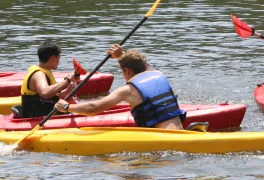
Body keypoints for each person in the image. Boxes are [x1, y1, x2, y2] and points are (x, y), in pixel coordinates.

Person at [55, 44, 186, 129]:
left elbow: (93, 108)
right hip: (179, 133)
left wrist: (66, 107)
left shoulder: (128, 90)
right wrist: (121, 55)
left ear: (127, 71)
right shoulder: (157, 73)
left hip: (164, 141)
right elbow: (141, 63)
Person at [17, 40, 80, 118]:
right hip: (36, 118)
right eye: (58, 58)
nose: (59, 62)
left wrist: (67, 91)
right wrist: (68, 80)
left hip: (45, 113)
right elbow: (45, 93)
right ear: (53, 58)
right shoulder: (38, 74)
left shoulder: (44, 71)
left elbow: (51, 97)